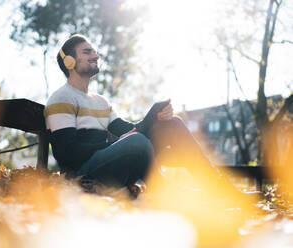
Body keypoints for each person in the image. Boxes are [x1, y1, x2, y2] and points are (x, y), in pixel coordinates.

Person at [44, 34, 237, 197]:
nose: (96, 55)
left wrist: (154, 117)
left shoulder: (100, 101)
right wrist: (117, 143)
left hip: (112, 168)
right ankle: (164, 191)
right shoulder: (62, 97)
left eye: (94, 51)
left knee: (172, 124)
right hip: (83, 176)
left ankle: (217, 188)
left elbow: (128, 131)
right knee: (137, 141)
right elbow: (67, 153)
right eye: (87, 52)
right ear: (69, 61)